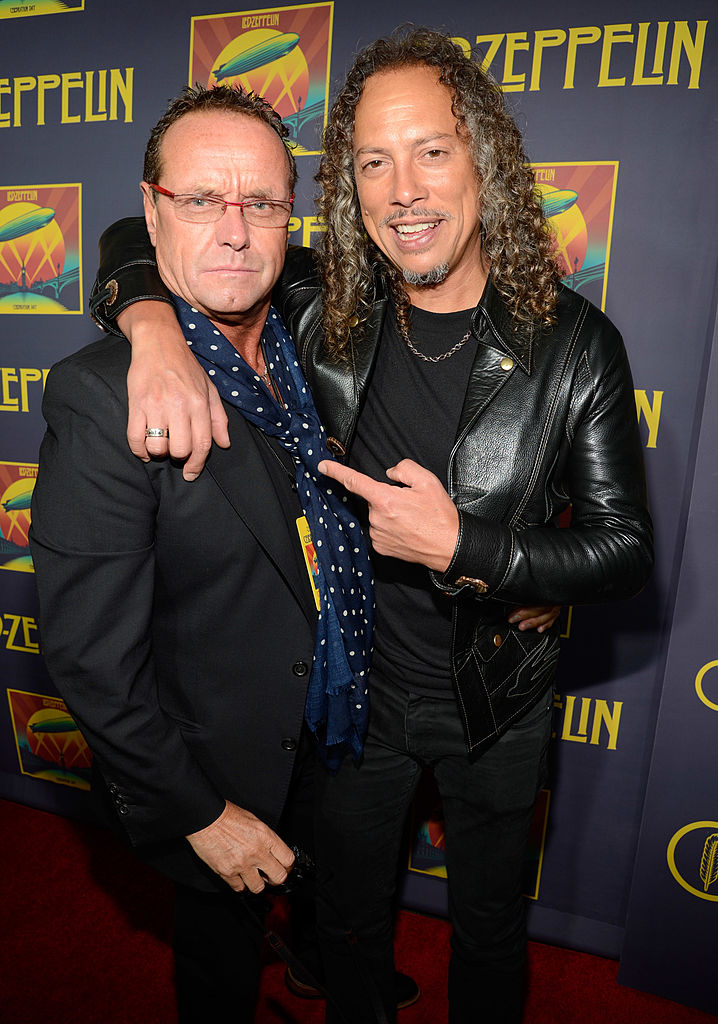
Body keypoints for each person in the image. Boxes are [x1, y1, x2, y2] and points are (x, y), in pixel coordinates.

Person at [88, 27, 653, 1024]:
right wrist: (148, 327)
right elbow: (149, 233)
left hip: (497, 702)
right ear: (349, 188)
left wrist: (474, 552)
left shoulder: (576, 346)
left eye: (432, 151)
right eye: (374, 162)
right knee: (347, 922)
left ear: (484, 161)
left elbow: (624, 548)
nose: (405, 190)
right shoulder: (324, 306)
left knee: (489, 929)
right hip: (356, 697)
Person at [29, 83, 381, 1023]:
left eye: (261, 202)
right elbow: (90, 659)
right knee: (219, 974)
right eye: (200, 200)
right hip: (216, 763)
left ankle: (324, 963)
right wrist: (199, 813)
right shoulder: (107, 398)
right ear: (151, 214)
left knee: (337, 900)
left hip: (338, 712)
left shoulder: (318, 340)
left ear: (290, 216)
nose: (234, 230)